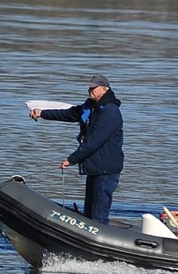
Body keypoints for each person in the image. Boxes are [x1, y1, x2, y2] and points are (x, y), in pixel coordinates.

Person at [30, 74, 124, 223]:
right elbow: (68, 113)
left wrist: (71, 160)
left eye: (94, 88)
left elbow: (94, 141)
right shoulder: (90, 107)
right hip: (94, 167)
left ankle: (99, 239)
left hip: (106, 170)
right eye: (89, 87)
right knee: (89, 213)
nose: (90, 90)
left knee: (98, 215)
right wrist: (42, 113)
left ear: (104, 90)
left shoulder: (110, 112)